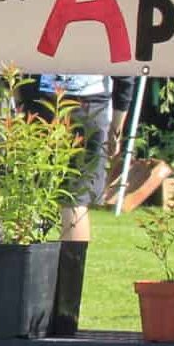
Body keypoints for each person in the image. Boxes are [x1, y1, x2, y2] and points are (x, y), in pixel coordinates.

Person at [36, 73, 114, 241]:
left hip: (45, 99)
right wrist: (118, 124)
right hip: (90, 102)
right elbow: (125, 75)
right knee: (76, 200)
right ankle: (70, 266)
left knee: (36, 192)